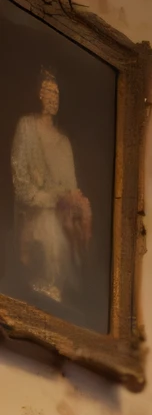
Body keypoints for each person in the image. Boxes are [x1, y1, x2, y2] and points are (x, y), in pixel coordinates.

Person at [10, 70, 91, 307]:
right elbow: (20, 176)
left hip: (59, 208)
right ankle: (43, 282)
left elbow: (70, 185)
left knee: (78, 220)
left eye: (57, 93)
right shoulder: (26, 127)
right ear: (39, 94)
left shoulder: (63, 142)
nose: (53, 97)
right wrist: (47, 199)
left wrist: (73, 201)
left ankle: (60, 287)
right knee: (48, 227)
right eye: (48, 91)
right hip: (33, 208)